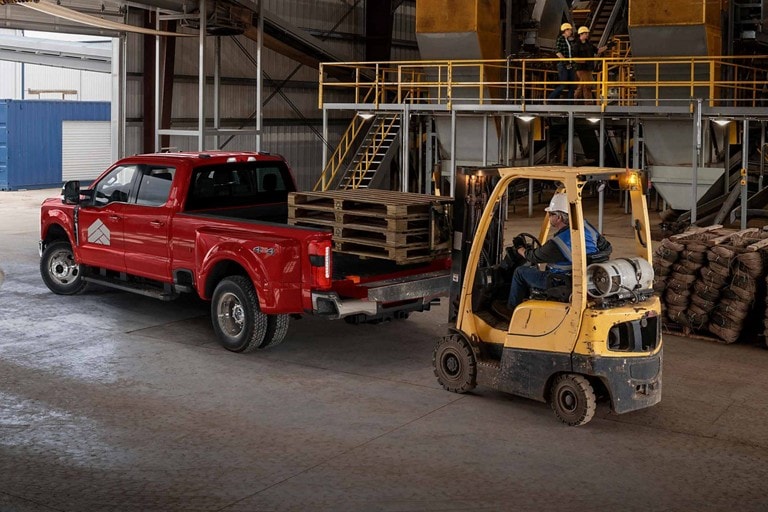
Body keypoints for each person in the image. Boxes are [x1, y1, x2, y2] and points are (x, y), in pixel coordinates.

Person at [493, 192, 611, 318]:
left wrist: (520, 248)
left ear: (559, 217)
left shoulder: (558, 243)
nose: (549, 217)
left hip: (560, 281)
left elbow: (533, 256)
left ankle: (511, 311)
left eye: (550, 214)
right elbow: (607, 248)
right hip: (586, 278)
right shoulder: (587, 227)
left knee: (520, 272)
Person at [572, 26, 607, 102]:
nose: (587, 35)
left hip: (588, 68)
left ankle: (575, 99)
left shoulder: (589, 44)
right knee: (588, 85)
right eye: (585, 33)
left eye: (587, 33)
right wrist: (585, 61)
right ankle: (587, 102)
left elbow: (597, 51)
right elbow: (574, 59)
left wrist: (607, 47)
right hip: (581, 68)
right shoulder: (576, 45)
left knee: (583, 85)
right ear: (581, 34)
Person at [547, 23, 576, 102]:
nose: (571, 31)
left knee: (572, 86)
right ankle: (549, 99)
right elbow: (558, 52)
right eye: (569, 30)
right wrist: (565, 61)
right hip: (563, 65)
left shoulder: (568, 41)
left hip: (570, 65)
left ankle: (570, 104)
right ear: (565, 30)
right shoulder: (560, 39)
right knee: (563, 85)